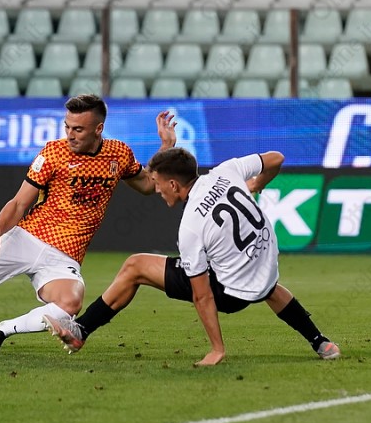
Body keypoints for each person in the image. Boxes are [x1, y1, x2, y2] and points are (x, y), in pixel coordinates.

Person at [0, 95, 177, 354]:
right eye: (67, 127)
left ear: (98, 129)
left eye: (78, 129)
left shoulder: (118, 154)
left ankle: (2, 330)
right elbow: (18, 203)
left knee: (69, 305)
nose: (70, 134)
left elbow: (148, 185)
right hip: (26, 238)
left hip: (65, 256)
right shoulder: (53, 153)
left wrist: (165, 147)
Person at [43, 147, 341, 366]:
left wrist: (217, 349)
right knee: (266, 287)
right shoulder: (226, 171)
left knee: (135, 266)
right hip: (265, 264)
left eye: (157, 182)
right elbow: (277, 158)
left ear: (173, 184)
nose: (156, 189)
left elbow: (203, 296)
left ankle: (81, 330)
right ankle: (320, 342)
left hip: (229, 293)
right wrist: (256, 185)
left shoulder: (191, 227)